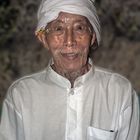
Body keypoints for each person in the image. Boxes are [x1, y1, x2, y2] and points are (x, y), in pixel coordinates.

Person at [0, 0, 139, 140]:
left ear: (92, 37)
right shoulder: (21, 95)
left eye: (79, 28)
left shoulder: (119, 92)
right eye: (58, 29)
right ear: (43, 38)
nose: (69, 41)